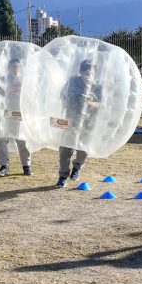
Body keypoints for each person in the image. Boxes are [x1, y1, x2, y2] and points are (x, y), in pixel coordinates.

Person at [55, 59, 103, 189]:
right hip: (71, 119)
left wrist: (91, 103)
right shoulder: (72, 83)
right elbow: (62, 96)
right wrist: (71, 99)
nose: (88, 77)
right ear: (81, 73)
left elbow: (103, 104)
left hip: (89, 121)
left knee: (83, 146)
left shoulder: (98, 87)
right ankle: (63, 176)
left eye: (91, 74)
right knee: (65, 148)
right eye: (86, 74)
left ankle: (77, 167)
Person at [0, 58, 32, 176]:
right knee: (1, 140)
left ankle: (27, 166)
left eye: (17, 67)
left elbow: (30, 98)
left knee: (22, 140)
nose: (15, 70)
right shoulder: (1, 81)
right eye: (13, 67)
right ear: (8, 68)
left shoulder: (24, 82)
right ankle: (4, 166)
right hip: (4, 115)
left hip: (20, 115)